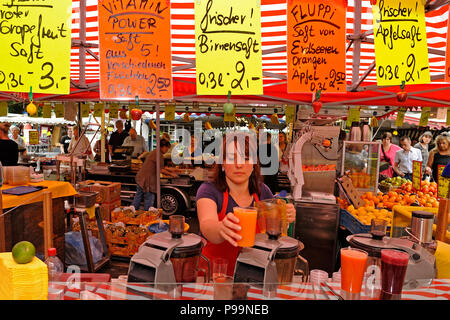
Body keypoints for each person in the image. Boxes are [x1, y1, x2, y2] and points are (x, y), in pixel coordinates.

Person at [195, 132, 296, 276]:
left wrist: (285, 218)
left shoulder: (263, 192)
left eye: (246, 158)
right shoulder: (209, 190)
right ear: (223, 163)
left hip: (252, 274)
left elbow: (274, 233)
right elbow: (207, 224)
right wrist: (220, 229)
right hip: (215, 276)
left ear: (254, 163)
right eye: (231, 158)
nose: (239, 164)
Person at [133, 139, 178, 210]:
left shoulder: (154, 152)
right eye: (167, 148)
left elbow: (162, 167)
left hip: (141, 177)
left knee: (138, 196)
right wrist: (172, 174)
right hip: (148, 180)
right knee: (149, 197)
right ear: (163, 147)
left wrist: (173, 170)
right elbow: (161, 169)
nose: (167, 150)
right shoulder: (158, 154)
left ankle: (133, 211)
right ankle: (147, 215)